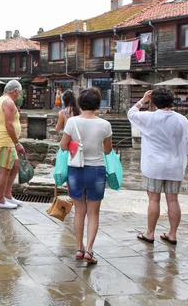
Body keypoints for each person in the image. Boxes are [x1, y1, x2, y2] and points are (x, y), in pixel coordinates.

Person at [128, 88, 188, 246]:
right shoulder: (181, 120)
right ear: (172, 101)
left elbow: (131, 113)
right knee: (173, 200)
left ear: (154, 102)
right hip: (175, 166)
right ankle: (172, 234)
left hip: (153, 166)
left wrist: (144, 99)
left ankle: (150, 233)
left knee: (154, 199)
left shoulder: (149, 118)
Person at [60, 87, 112, 264]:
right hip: (96, 170)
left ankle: (79, 248)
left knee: (79, 211)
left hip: (76, 169)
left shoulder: (72, 122)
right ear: (98, 104)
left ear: (80, 103)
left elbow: (63, 146)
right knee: (94, 212)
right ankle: (90, 250)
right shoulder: (105, 125)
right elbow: (108, 149)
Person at [0, 80, 25, 209]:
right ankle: (0, 200)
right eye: (19, 93)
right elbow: (8, 124)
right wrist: (17, 143)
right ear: (15, 91)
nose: (19, 95)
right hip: (5, 141)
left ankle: (7, 195)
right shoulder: (9, 102)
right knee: (4, 170)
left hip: (7, 141)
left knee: (15, 166)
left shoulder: (1, 100)